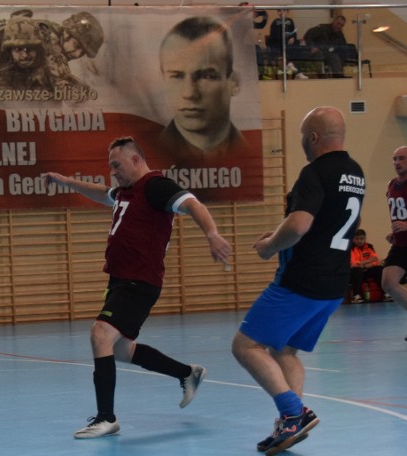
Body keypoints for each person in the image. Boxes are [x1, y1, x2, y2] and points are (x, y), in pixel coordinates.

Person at [42, 136, 232, 439]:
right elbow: (101, 193)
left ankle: (106, 418)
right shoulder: (125, 192)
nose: (113, 171)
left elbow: (193, 203)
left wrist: (212, 233)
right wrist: (66, 182)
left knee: (100, 334)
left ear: (135, 160)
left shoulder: (155, 187)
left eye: (116, 165)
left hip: (139, 281)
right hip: (120, 280)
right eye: (110, 166)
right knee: (120, 349)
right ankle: (187, 373)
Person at [231, 106, 364, 455]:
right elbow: (323, 223)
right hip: (335, 284)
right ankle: (290, 424)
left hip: (302, 282)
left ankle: (293, 412)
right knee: (284, 349)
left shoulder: (315, 172)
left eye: (304, 137)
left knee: (245, 346)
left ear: (314, 138)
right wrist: (279, 233)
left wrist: (268, 247)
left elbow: (300, 225)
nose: (303, 143)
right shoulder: (355, 171)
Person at [157, 16, 248, 168]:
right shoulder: (150, 154)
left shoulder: (247, 151)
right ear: (163, 80)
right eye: (177, 76)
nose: (190, 93)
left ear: (234, 83)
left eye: (206, 76)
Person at [381, 146, 407, 313]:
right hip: (401, 244)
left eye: (402, 158)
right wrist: (395, 233)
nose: (397, 162)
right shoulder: (392, 185)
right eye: (394, 159)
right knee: (388, 282)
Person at [348, 228, 384, 303]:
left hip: (366, 270)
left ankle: (385, 294)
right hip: (354, 273)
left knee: (379, 269)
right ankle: (356, 296)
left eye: (362, 238)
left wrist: (365, 265)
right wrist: (368, 261)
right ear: (353, 239)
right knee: (357, 270)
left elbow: (375, 261)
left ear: (365, 238)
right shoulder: (350, 248)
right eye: (357, 239)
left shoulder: (369, 246)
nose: (359, 241)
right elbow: (354, 264)